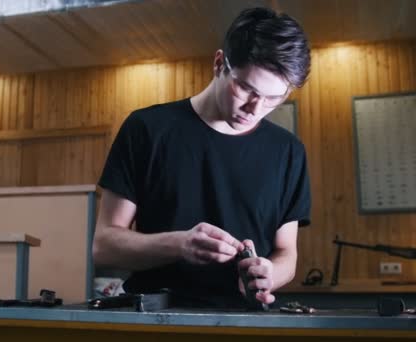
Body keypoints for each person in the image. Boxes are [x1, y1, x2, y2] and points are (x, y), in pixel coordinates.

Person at [92, 7, 311, 307]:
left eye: (275, 98)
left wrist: (270, 273)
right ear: (219, 63)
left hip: (247, 322)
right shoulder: (147, 129)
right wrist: (179, 244)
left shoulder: (289, 152)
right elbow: (104, 246)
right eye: (246, 88)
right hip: (156, 319)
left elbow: (287, 253)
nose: (255, 109)